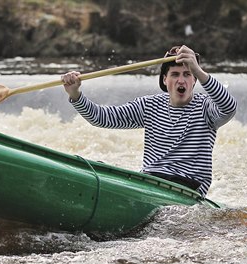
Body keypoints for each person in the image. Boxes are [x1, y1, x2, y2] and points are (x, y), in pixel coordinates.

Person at [61, 45, 237, 197]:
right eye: (175, 74)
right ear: (165, 80)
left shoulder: (207, 108)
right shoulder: (149, 105)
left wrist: (197, 68)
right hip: (150, 181)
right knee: (101, 170)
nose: (181, 80)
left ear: (194, 80)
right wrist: (75, 95)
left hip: (188, 188)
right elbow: (102, 118)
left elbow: (229, 107)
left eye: (187, 74)